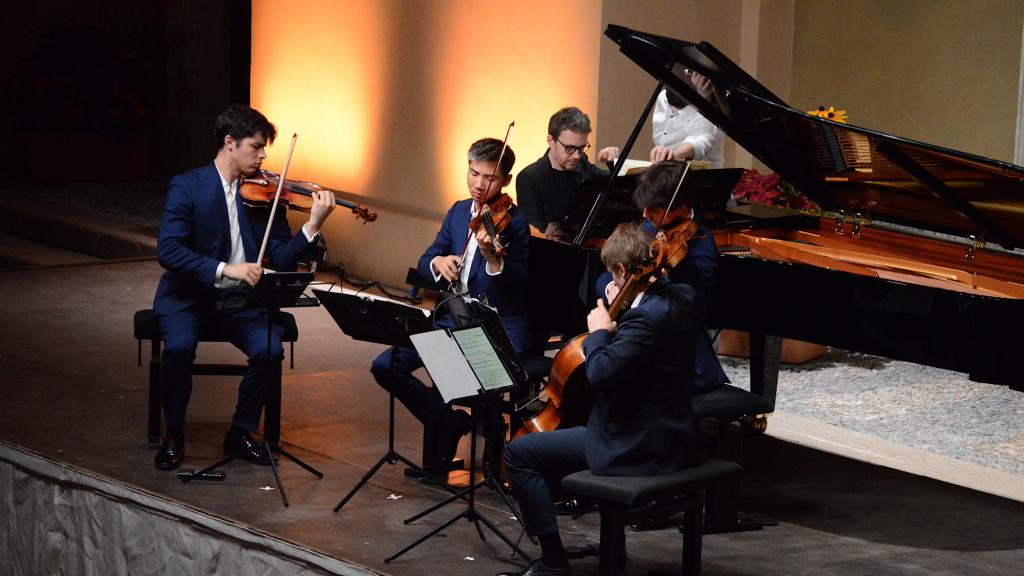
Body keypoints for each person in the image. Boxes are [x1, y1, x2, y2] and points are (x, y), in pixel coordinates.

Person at [499, 221, 704, 576]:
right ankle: (611, 543)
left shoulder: (643, 320)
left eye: (613, 273)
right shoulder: (681, 299)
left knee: (519, 453)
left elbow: (598, 374)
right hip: (674, 436)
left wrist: (598, 333)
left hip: (635, 446)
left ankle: (553, 561)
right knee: (579, 426)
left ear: (623, 270)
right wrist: (621, 311)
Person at [153, 104, 336, 471]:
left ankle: (240, 432)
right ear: (230, 143)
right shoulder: (188, 186)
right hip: (188, 297)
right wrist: (226, 269)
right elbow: (168, 250)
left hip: (240, 302)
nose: (264, 155)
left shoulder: (266, 195)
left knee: (269, 350)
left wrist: (312, 225)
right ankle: (174, 432)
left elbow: (282, 256)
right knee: (179, 348)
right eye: (257, 146)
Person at [370, 138, 530, 474]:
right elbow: (426, 257)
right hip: (449, 321)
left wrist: (491, 257)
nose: (479, 184)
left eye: (489, 177)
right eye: (473, 173)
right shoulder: (458, 212)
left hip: (491, 330)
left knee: (467, 378)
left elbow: (517, 285)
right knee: (386, 366)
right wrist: (438, 261)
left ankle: (486, 443)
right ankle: (447, 421)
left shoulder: (514, 224)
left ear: (505, 181)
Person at [595, 160, 728, 393]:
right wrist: (613, 289)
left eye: (653, 208)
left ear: (679, 206)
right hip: (639, 339)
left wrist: (659, 284)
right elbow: (605, 275)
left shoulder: (701, 247)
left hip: (678, 357)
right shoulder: (647, 228)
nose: (645, 214)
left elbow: (691, 307)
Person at [516, 107, 617, 241]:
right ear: (551, 141)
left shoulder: (582, 162)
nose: (576, 156)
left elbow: (614, 183)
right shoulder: (530, 178)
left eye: (581, 148)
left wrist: (614, 163)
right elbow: (534, 234)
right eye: (569, 148)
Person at [599, 72, 725, 168]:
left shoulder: (710, 108)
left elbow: (699, 143)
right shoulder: (663, 98)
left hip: (703, 187)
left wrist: (672, 154)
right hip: (668, 180)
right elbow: (662, 142)